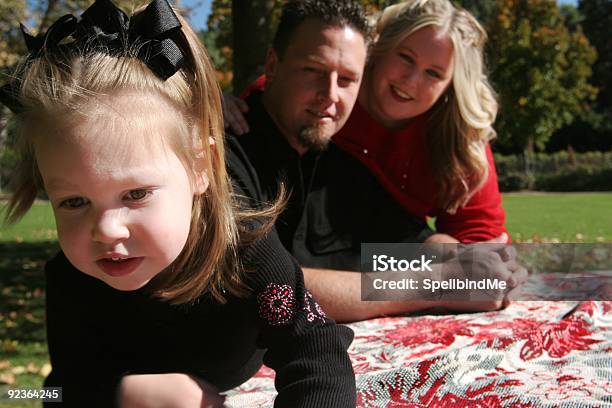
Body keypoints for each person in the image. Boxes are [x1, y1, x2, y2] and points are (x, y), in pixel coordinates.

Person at [0, 0, 356, 406]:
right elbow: (49, 391)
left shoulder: (245, 250)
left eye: (135, 194)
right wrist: (127, 391)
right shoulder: (72, 280)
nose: (107, 229)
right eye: (75, 201)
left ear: (200, 167)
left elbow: (318, 349)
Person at [224, 0, 526, 323]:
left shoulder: (455, 141)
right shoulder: (280, 134)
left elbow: (424, 239)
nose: (329, 95)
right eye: (405, 58)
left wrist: (476, 268)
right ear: (377, 55)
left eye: (345, 80)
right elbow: (261, 282)